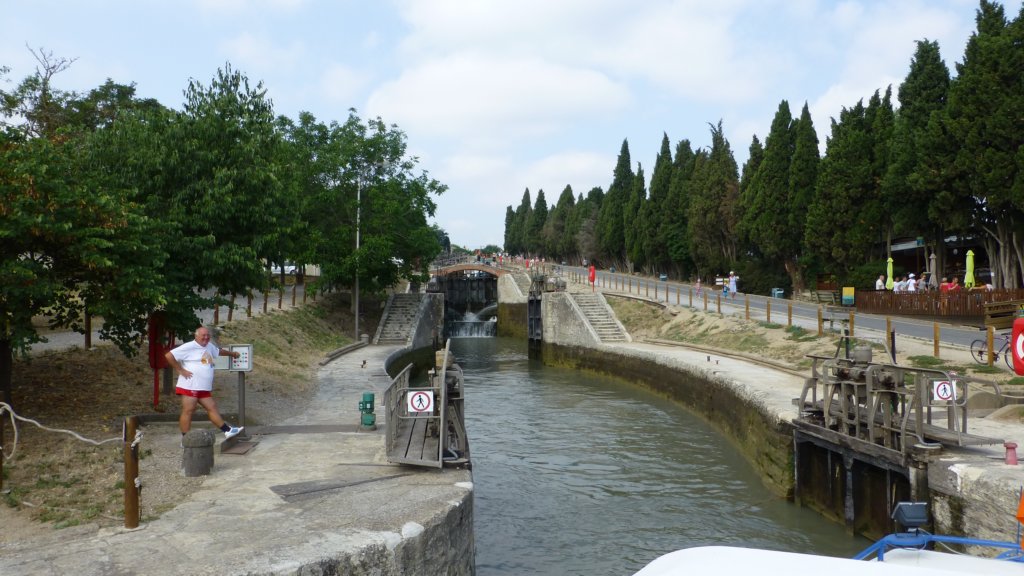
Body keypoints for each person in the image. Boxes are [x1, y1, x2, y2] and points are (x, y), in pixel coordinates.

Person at [165, 326, 244, 441]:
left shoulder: (209, 346)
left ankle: (227, 430)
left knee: (212, 407)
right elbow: (169, 356)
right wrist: (180, 370)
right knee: (188, 410)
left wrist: (232, 354)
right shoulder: (189, 346)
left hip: (203, 386)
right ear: (196, 336)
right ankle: (185, 439)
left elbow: (219, 351)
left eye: (208, 335)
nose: (206, 338)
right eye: (203, 335)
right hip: (191, 385)